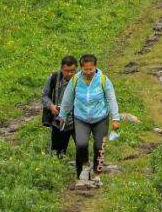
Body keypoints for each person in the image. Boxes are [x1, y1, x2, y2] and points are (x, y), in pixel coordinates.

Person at [58, 53, 120, 182]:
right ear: (81, 68)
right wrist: (62, 115)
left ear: (95, 67)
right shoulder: (75, 80)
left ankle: (97, 174)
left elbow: (111, 99)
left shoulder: (103, 80)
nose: (88, 72)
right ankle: (85, 166)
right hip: (81, 118)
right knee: (81, 144)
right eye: (85, 69)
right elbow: (67, 99)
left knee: (99, 146)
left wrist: (115, 118)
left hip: (100, 118)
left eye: (90, 69)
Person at [42, 55, 77, 158]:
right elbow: (44, 95)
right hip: (58, 119)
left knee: (81, 145)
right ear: (62, 68)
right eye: (67, 71)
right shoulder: (54, 78)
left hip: (77, 118)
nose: (70, 73)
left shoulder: (82, 80)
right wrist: (51, 106)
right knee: (57, 151)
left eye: (73, 71)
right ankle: (58, 160)